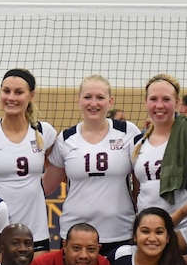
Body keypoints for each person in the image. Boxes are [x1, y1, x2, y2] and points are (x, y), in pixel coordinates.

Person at [44, 74, 140, 254]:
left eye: (100, 97)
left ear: (110, 101)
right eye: (87, 97)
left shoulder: (128, 131)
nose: (93, 103)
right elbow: (46, 185)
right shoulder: (66, 138)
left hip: (120, 232)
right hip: (75, 235)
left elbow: (139, 183)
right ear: (78, 100)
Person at [0, 69, 57, 252]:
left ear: (31, 96)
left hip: (36, 230)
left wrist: (38, 189)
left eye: (19, 92)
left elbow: (56, 166)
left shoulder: (44, 132)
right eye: (6, 91)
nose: (11, 97)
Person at [130, 74, 187, 232]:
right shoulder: (138, 142)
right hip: (149, 231)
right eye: (153, 99)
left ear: (177, 102)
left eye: (166, 99)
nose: (159, 105)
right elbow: (138, 189)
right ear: (146, 102)